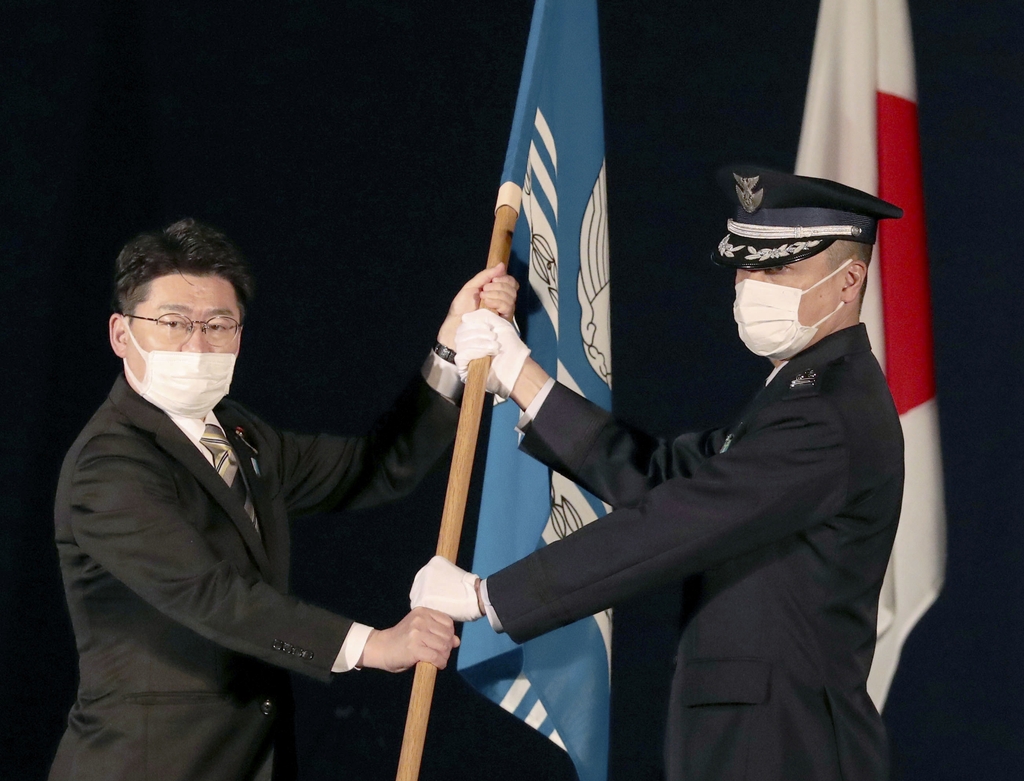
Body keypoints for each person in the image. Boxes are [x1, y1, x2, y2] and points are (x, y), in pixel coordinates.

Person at [412, 167, 906, 781]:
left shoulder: (829, 412)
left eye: (776, 270)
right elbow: (664, 476)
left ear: (849, 280)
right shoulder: (796, 396)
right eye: (744, 268)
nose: (751, 287)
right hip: (749, 740)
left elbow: (675, 522)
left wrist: (488, 596)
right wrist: (523, 377)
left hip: (783, 747)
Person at [50, 218, 517, 781]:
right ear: (121, 334)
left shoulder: (238, 433)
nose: (197, 344)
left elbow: (374, 467)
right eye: (173, 323)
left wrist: (450, 347)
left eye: (218, 325)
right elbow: (211, 596)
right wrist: (372, 645)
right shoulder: (108, 465)